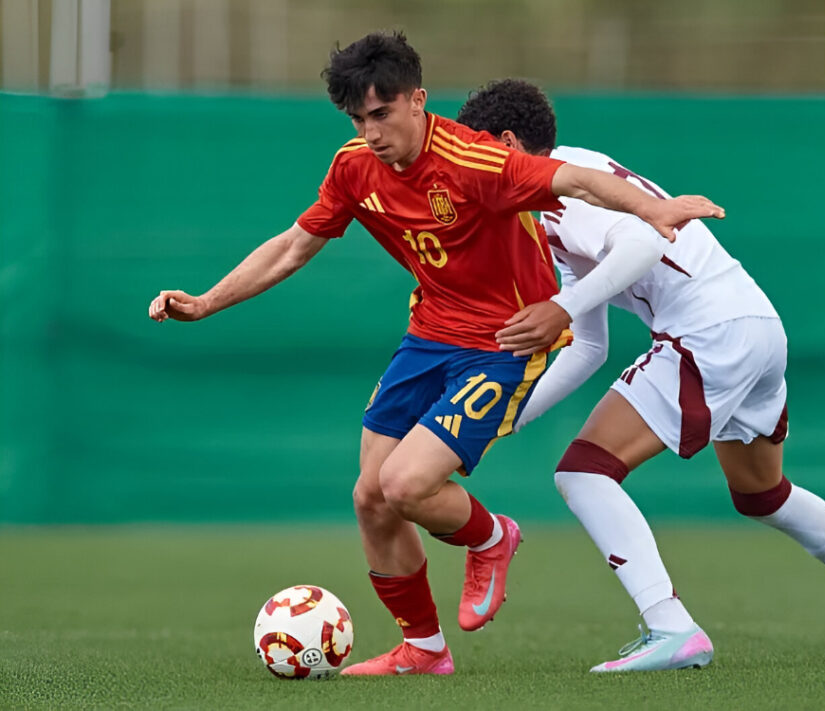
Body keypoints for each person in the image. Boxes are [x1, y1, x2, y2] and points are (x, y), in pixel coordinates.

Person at [148, 34, 725, 676]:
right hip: (429, 336)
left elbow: (580, 180)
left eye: (382, 113)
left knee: (405, 484)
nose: (370, 132)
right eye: (357, 119)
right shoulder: (352, 167)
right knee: (370, 496)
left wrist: (655, 209)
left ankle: (492, 537)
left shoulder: (473, 159)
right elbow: (293, 246)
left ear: (417, 100)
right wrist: (205, 302)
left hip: (506, 341)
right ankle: (423, 650)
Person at [456, 79, 825, 672]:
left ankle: (670, 627)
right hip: (755, 325)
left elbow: (637, 245)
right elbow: (587, 344)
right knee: (762, 494)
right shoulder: (569, 179)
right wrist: (506, 419)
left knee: (583, 474)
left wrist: (560, 307)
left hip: (709, 333)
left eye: (477, 151)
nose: (469, 168)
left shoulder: (559, 192)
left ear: (509, 143)